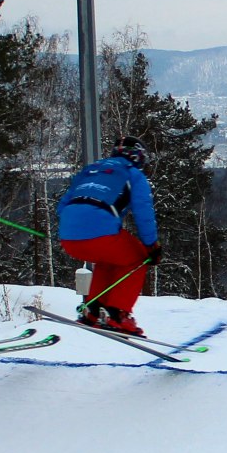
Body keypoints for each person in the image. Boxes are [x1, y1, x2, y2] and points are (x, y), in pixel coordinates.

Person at [56, 136, 162, 336]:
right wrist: (152, 246)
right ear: (138, 156)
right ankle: (118, 314)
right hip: (99, 233)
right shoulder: (133, 175)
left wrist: (74, 226)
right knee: (139, 258)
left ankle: (93, 310)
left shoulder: (90, 170)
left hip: (68, 236)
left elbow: (62, 206)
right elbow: (143, 213)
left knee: (110, 259)